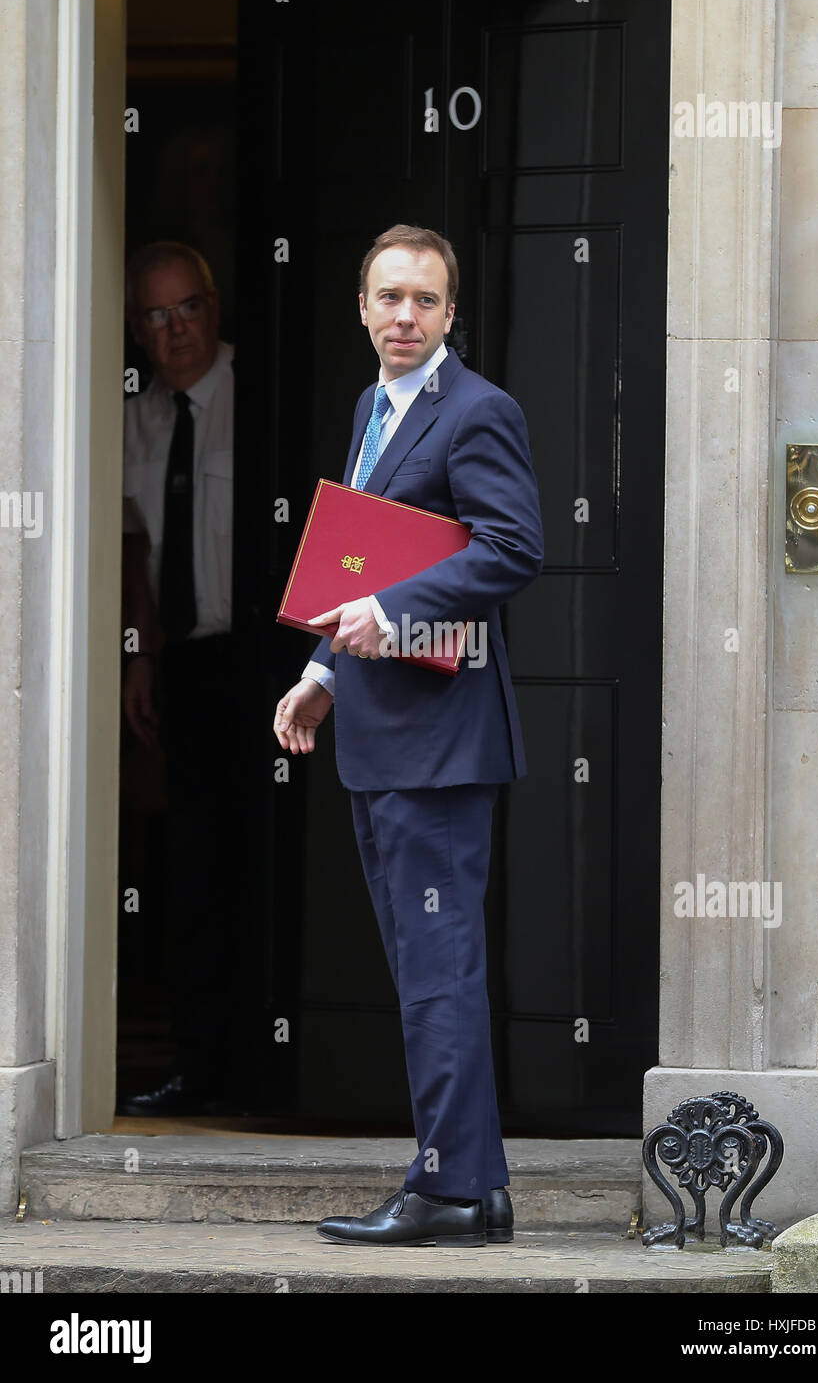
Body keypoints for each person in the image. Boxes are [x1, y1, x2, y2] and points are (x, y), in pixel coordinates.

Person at [273, 224, 544, 1245]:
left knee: (437, 972)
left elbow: (514, 546)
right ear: (359, 305)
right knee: (426, 972)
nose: (403, 316)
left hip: (441, 743)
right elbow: (358, 558)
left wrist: (389, 617)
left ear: (447, 312)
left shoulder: (477, 411)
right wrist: (320, 672)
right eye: (387, 297)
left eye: (423, 301)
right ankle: (469, 1185)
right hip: (381, 733)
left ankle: (452, 1189)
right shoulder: (371, 408)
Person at [118, 241, 243, 1115]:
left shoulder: (256, 386)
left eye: (186, 308)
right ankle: (201, 1069)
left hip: (276, 658)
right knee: (194, 871)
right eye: (154, 318)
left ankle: (292, 1061)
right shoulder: (136, 417)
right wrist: (139, 653)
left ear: (215, 304)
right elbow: (131, 548)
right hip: (189, 663)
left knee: (272, 865)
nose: (175, 332)